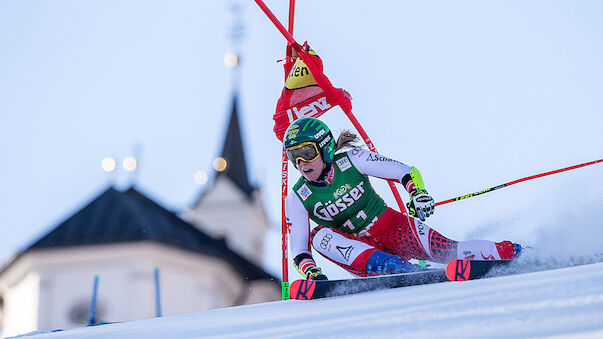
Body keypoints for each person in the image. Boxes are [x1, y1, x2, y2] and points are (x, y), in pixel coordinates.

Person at [284, 117, 521, 280]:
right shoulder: (297, 196)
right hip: (363, 253)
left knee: (451, 251)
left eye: (307, 152)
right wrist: (311, 273)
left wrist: (418, 193)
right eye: (294, 156)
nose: (301, 163)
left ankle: (518, 252)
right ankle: (395, 267)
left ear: (325, 149)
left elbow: (405, 171)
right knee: (319, 236)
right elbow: (299, 249)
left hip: (394, 229)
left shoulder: (353, 159)